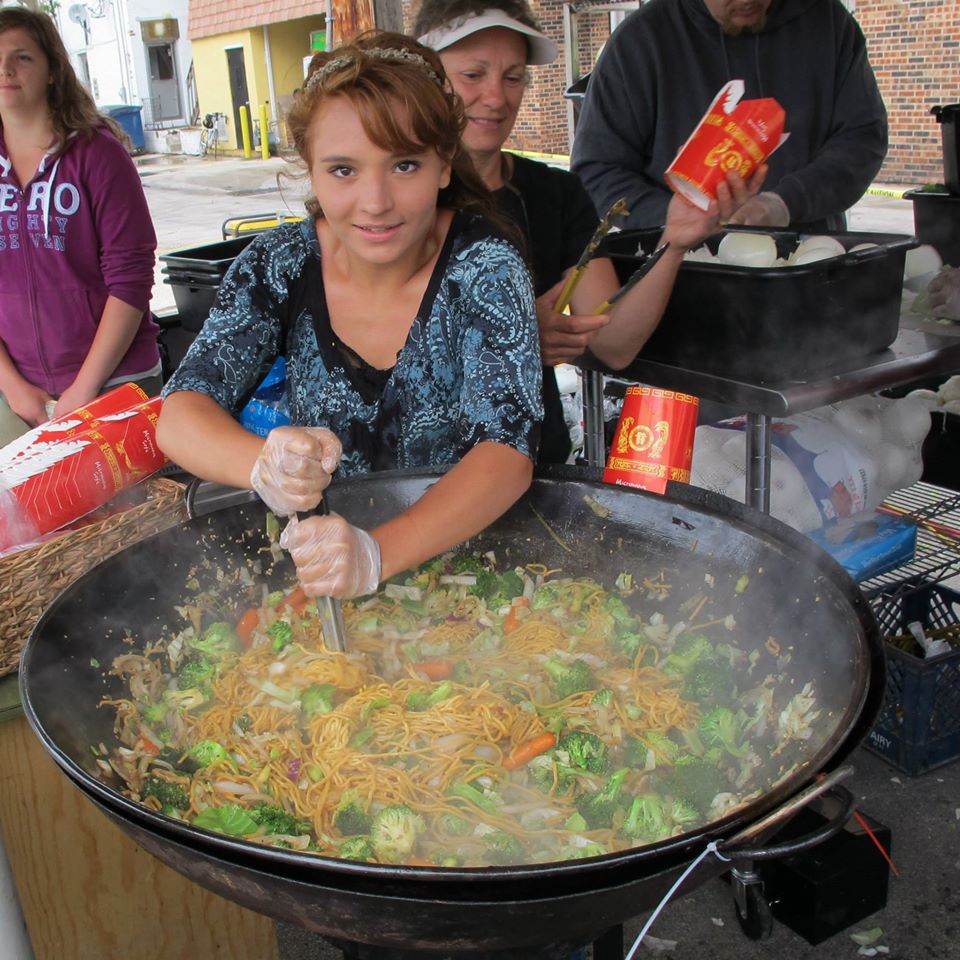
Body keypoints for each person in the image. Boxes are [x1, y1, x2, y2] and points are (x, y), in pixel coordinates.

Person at [157, 31, 542, 600]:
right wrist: (267, 463)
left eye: (405, 165)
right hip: (323, 575)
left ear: (443, 164)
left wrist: (376, 554)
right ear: (309, 170)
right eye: (343, 170)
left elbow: (506, 453)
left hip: (474, 571)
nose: (375, 201)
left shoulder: (484, 268)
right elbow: (181, 414)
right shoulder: (279, 263)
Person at [414, 0, 764, 462]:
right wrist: (509, 337)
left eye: (513, 76)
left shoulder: (555, 193)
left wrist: (674, 241)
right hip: (420, 475)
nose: (497, 97)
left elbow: (614, 345)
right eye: (473, 75)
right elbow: (368, 343)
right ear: (426, 80)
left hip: (535, 468)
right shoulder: (394, 198)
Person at [570, 0, 888, 234]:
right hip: (684, 277)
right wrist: (674, 218)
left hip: (809, 263)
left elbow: (862, 138)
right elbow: (597, 170)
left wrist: (785, 203)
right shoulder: (641, 41)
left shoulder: (828, 24)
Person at [0, 7, 160, 447]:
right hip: (19, 394)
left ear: (53, 69)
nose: (6, 70)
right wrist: (12, 386)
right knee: (27, 516)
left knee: (132, 517)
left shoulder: (98, 155)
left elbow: (130, 278)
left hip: (113, 382)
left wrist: (85, 389)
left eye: (22, 57)